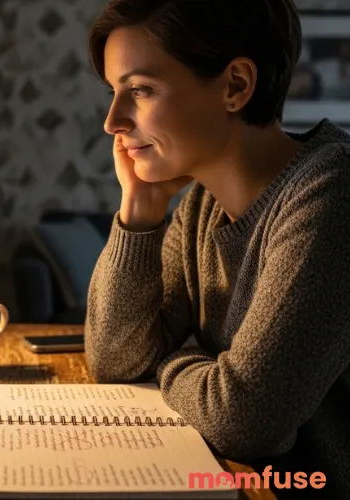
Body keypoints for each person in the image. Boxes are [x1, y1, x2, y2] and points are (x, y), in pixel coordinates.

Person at [83, 0, 350, 498]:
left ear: (235, 86)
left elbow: (246, 419)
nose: (112, 122)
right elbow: (116, 360)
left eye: (140, 90)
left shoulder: (331, 196)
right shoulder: (202, 206)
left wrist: (169, 362)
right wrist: (140, 209)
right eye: (114, 92)